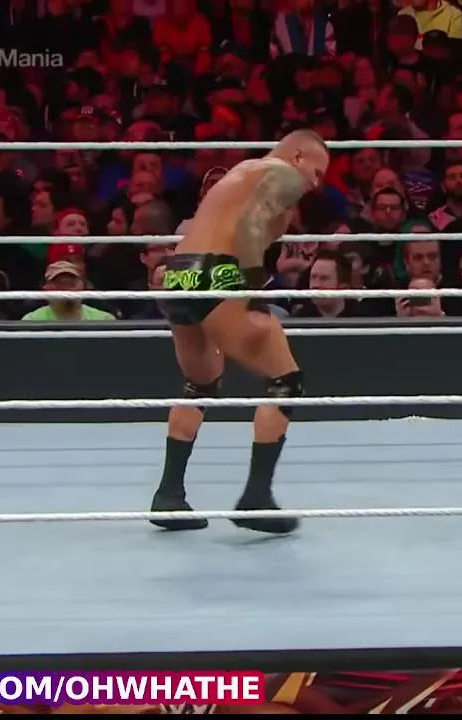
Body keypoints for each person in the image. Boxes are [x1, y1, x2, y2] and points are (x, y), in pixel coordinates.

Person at [147, 129, 330, 534]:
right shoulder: (282, 172)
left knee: (200, 386)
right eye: (316, 172)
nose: (315, 184)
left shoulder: (242, 173)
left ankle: (169, 495)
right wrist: (250, 286)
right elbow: (250, 225)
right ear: (298, 156)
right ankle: (256, 497)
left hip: (180, 275)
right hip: (220, 272)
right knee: (285, 379)